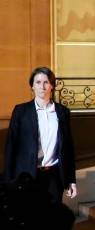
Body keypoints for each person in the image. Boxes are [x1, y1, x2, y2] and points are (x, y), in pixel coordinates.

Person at [4, 66, 77, 203]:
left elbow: (68, 148)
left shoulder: (62, 112)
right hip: (26, 175)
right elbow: (11, 146)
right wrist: (8, 180)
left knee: (52, 219)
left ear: (52, 86)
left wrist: (71, 180)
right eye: (38, 82)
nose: (42, 86)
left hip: (54, 176)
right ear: (32, 86)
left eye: (46, 82)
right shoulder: (21, 111)